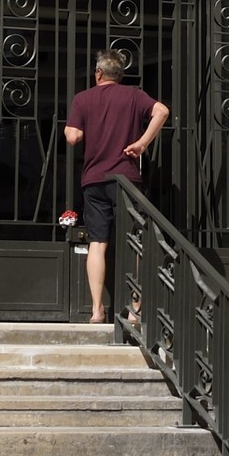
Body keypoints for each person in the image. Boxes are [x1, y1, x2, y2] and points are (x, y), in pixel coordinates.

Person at [63, 52, 169, 324]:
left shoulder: (82, 99)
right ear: (119, 75)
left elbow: (73, 137)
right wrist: (142, 143)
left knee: (97, 244)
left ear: (98, 73)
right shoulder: (134, 96)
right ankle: (136, 307)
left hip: (94, 180)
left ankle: (97, 310)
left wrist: (72, 130)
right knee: (135, 242)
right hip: (126, 179)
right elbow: (162, 111)